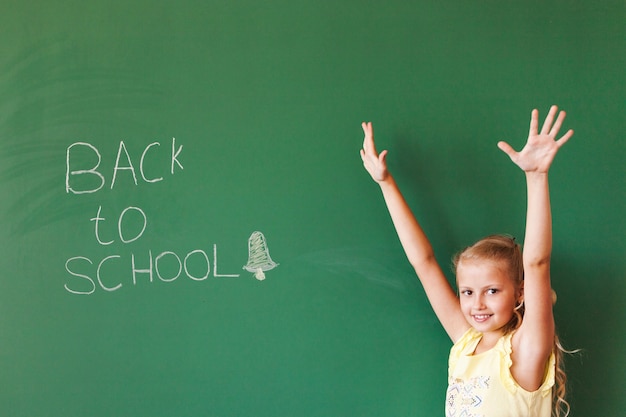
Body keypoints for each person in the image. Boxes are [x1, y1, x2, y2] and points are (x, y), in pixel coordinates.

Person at [360, 106, 574, 417]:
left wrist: (536, 177)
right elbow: (424, 262)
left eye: (492, 291)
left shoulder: (525, 350)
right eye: (468, 292)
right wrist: (386, 183)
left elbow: (537, 262)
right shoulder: (465, 342)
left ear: (520, 293)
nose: (478, 304)